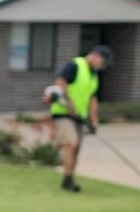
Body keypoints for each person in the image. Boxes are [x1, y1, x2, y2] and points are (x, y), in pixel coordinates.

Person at [46, 45, 112, 193]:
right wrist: (69, 103)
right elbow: (61, 81)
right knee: (71, 142)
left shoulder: (94, 76)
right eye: (103, 63)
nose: (102, 67)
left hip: (79, 117)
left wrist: (94, 121)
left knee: (76, 148)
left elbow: (92, 99)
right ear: (96, 56)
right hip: (62, 113)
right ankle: (68, 180)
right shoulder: (75, 65)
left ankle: (68, 178)